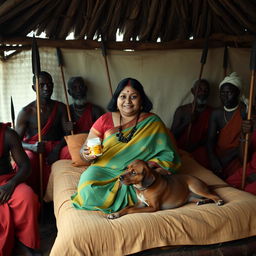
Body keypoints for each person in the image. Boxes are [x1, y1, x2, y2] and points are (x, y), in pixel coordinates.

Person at [71, 78, 181, 214]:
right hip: (104, 169)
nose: (127, 101)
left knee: (146, 186)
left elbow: (169, 155)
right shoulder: (104, 119)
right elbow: (85, 149)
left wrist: (149, 168)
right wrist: (86, 154)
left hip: (136, 175)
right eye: (123, 96)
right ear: (116, 100)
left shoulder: (153, 122)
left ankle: (135, 200)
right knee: (88, 189)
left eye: (133, 97)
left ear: (141, 100)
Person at [15, 71, 69, 196]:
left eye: (49, 84)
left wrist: (56, 150)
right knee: (27, 159)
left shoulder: (60, 107)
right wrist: (31, 147)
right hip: (35, 147)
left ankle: (66, 193)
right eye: (42, 85)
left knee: (71, 153)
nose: (46, 88)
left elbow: (67, 134)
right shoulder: (26, 111)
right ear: (34, 87)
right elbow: (16, 142)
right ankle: (33, 196)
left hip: (57, 145)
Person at [0, 123, 40, 256]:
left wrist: (11, 184)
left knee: (27, 196)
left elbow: (25, 166)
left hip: (7, 181)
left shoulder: (8, 134)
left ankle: (25, 243)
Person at [207, 72, 246, 179]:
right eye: (222, 93)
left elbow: (247, 142)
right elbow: (210, 139)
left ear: (238, 93)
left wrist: (227, 159)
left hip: (237, 155)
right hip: (219, 153)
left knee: (239, 175)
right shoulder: (217, 113)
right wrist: (213, 158)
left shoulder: (245, 112)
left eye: (229, 93)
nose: (225, 96)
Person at [60, 76, 105, 159]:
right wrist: (67, 131)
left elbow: (102, 133)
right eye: (74, 88)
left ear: (86, 89)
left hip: (91, 146)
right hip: (73, 147)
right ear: (69, 92)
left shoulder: (95, 110)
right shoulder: (66, 111)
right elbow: (63, 136)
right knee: (65, 152)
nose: (78, 90)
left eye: (81, 87)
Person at [171, 79, 212, 167]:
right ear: (193, 91)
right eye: (199, 89)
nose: (203, 93)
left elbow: (211, 138)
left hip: (200, 152)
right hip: (181, 150)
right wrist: (186, 122)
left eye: (206, 91)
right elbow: (172, 135)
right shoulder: (182, 110)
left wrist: (194, 146)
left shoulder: (212, 112)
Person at [226, 117, 256, 195]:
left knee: (248, 192)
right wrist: (243, 134)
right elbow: (244, 159)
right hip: (250, 169)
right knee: (228, 186)